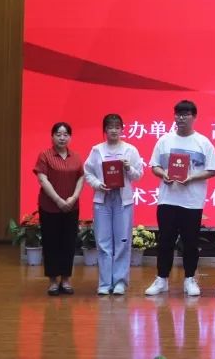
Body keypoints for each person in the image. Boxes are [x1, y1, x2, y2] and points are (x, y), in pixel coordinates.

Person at [145, 99, 215, 297]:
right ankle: (162, 279)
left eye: (185, 115)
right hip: (167, 200)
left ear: (194, 117)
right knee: (165, 241)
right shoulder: (164, 141)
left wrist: (191, 177)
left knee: (190, 242)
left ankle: (190, 279)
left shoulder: (203, 142)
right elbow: (154, 166)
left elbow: (212, 170)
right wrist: (163, 174)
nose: (181, 118)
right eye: (178, 114)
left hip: (192, 202)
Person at [83, 113, 145, 295]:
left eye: (117, 127)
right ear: (105, 130)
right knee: (103, 242)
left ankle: (120, 282)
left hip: (123, 201)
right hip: (103, 199)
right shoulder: (97, 150)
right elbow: (88, 172)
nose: (114, 131)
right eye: (110, 127)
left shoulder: (130, 150)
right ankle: (104, 283)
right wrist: (97, 184)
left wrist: (128, 168)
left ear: (122, 129)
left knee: (123, 241)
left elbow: (138, 175)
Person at [34, 122, 85, 296]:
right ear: (52, 136)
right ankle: (53, 281)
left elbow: (81, 178)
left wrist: (73, 198)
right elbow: (42, 179)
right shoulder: (45, 155)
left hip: (71, 207)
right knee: (51, 243)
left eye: (65, 134)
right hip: (49, 207)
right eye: (58, 134)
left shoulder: (76, 157)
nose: (62, 138)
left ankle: (66, 279)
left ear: (70, 137)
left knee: (68, 243)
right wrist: (58, 200)